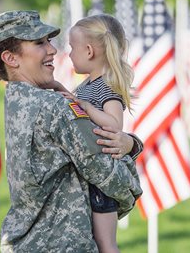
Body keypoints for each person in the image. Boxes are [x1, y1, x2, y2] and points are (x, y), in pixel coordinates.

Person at [0, 10, 142, 252]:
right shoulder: (56, 107)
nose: (52, 49)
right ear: (11, 58)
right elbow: (111, 178)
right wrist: (132, 146)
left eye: (49, 41)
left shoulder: (15, 99)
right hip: (63, 243)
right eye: (40, 43)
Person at [51, 14, 134, 253]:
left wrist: (86, 107)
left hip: (103, 181)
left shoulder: (106, 85)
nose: (68, 54)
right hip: (92, 176)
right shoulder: (88, 84)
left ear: (89, 51)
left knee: (106, 245)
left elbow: (115, 123)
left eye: (71, 48)